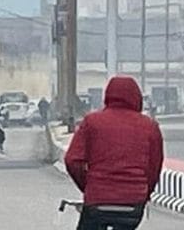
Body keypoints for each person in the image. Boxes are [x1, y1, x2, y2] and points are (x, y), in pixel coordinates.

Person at [65, 76, 163, 230]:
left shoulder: (92, 122)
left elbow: (72, 160)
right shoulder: (150, 126)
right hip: (133, 203)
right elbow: (153, 168)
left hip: (97, 200)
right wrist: (143, 192)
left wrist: (88, 185)